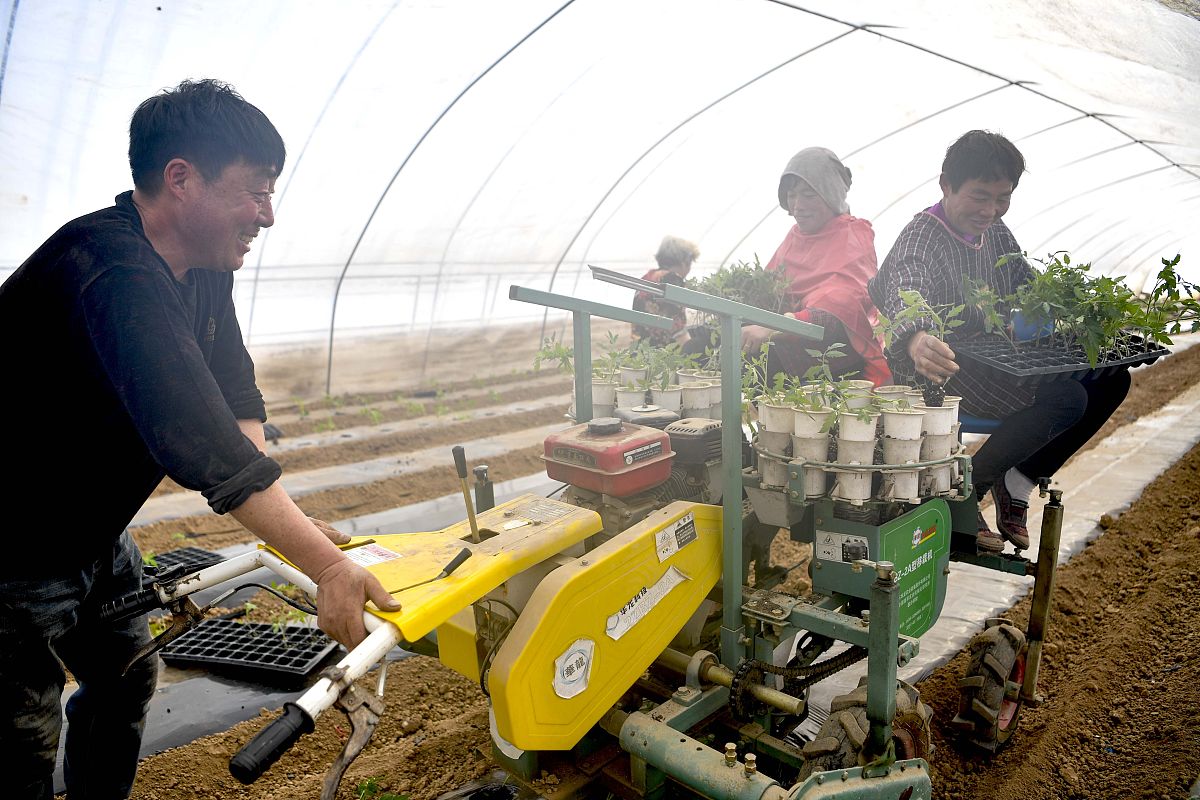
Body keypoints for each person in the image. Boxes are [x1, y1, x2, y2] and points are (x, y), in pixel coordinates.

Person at [0, 79, 402, 799]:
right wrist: (327, 567)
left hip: (92, 531)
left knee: (126, 679)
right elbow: (199, 441)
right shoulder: (112, 269)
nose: (267, 215)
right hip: (12, 549)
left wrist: (293, 530)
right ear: (181, 179)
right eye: (254, 192)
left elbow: (234, 398)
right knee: (19, 740)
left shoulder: (203, 266)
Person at [868, 130, 1130, 552]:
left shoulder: (995, 231)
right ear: (946, 185)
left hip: (996, 359)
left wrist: (1081, 308)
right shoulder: (922, 238)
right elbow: (905, 289)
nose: (990, 210)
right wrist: (917, 337)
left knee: (1112, 380)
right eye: (979, 197)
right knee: (1068, 399)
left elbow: (1027, 283)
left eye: (1002, 198)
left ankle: (1018, 480)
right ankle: (964, 494)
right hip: (945, 369)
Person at [740, 147, 891, 385]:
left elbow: (841, 305)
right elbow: (769, 289)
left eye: (809, 195)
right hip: (790, 347)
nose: (797, 205)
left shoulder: (852, 235)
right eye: (791, 195)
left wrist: (773, 327)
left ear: (831, 195)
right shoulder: (794, 238)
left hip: (838, 362)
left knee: (759, 359)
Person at [632, 235, 700, 347]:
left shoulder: (647, 277)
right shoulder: (672, 279)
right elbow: (678, 327)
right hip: (662, 351)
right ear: (685, 262)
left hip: (640, 349)